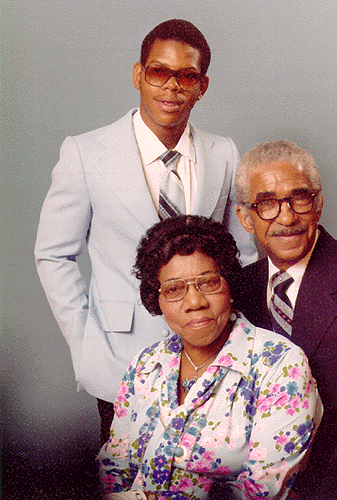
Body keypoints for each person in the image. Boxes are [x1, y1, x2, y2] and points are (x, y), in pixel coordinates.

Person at [34, 19, 257, 444]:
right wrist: (84, 345)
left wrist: (229, 332)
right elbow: (52, 254)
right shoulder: (85, 153)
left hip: (209, 355)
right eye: (158, 72)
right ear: (139, 75)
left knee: (203, 476)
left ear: (201, 86)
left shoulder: (223, 152)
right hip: (120, 356)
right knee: (128, 482)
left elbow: (241, 256)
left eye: (186, 76)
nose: (171, 86)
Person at [97, 215, 323, 500]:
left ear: (229, 286)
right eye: (174, 289)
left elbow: (261, 493)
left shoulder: (280, 364)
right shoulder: (144, 364)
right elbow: (113, 466)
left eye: (208, 282)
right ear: (157, 300)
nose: (195, 303)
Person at [234, 139, 337, 499]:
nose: (287, 217)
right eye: (267, 204)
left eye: (299, 198)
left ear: (318, 205)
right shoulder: (239, 289)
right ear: (246, 217)